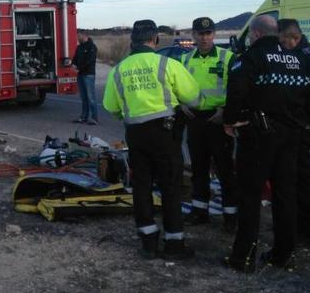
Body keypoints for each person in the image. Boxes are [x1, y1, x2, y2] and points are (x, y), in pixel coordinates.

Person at [223, 15, 310, 273]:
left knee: (250, 196)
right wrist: (306, 120)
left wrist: (231, 120)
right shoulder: (301, 57)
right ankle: (283, 254)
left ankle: (243, 257)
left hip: (258, 135)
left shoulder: (250, 58)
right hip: (292, 136)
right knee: (285, 194)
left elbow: (236, 90)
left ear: (256, 34)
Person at [103, 20, 202, 259]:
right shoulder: (167, 64)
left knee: (141, 186)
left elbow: (111, 107)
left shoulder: (118, 69)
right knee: (170, 187)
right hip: (165, 134)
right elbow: (195, 98)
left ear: (132, 41)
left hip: (136, 134)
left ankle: (148, 242)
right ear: (155, 39)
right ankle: (174, 243)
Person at [180, 17, 238, 232]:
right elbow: (176, 86)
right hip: (195, 120)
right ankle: (199, 212)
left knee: (225, 170)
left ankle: (231, 217)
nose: (204, 38)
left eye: (208, 34)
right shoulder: (185, 60)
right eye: (200, 34)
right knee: (198, 168)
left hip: (219, 121)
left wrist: (226, 112)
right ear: (193, 35)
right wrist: (180, 104)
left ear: (214, 34)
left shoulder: (228, 58)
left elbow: (237, 89)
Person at [278, 18, 310, 247]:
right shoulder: (306, 53)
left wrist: (305, 120)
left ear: (292, 37)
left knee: (303, 179)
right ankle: (301, 224)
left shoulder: (306, 57)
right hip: (300, 125)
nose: (281, 45)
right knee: (295, 178)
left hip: (302, 127)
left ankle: (309, 230)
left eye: (282, 40)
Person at [72, 30, 99, 125]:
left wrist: (79, 68)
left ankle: (94, 118)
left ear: (85, 35)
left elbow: (90, 61)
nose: (78, 38)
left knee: (91, 97)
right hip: (80, 75)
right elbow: (75, 58)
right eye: (77, 36)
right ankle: (84, 117)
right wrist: (73, 65)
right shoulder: (79, 47)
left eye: (79, 36)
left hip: (88, 75)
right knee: (84, 98)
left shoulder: (92, 47)